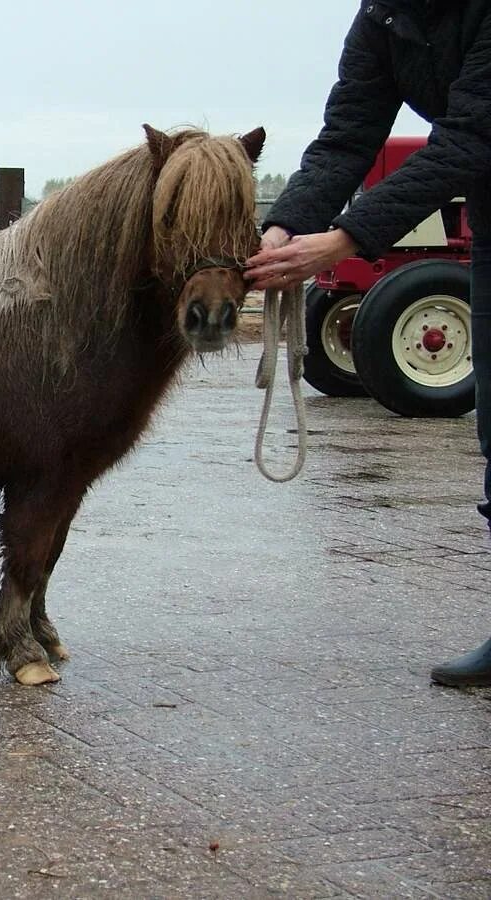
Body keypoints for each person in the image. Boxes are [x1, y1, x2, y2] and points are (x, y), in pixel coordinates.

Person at [244, 0, 491, 687]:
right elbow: (348, 134)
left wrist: (349, 236)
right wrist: (288, 226)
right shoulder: (384, 16)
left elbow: (471, 136)